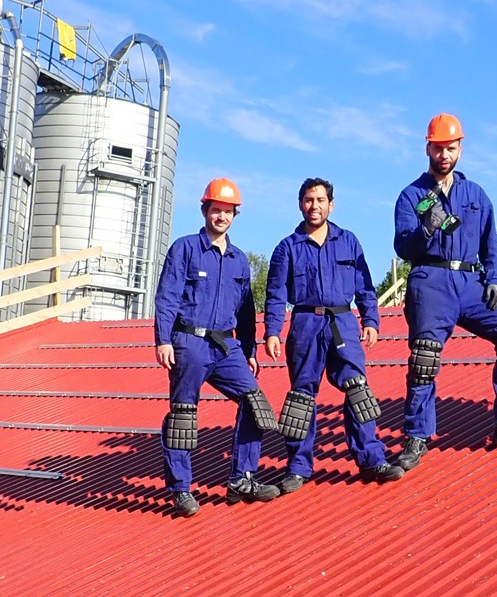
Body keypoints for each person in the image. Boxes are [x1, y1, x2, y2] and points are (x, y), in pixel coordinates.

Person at [392, 113, 497, 471]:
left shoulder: (476, 194)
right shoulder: (411, 195)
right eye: (438, 148)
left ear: (460, 148)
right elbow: (403, 246)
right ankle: (417, 437)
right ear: (427, 148)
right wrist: (426, 229)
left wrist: (495, 281)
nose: (444, 154)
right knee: (425, 358)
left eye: (450, 148)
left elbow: (490, 245)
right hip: (430, 281)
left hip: (470, 281)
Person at [265, 177, 403, 490]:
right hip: (305, 324)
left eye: (320, 200)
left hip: (342, 322)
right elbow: (275, 294)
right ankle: (298, 467)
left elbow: (365, 284)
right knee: (301, 399)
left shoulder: (348, 241)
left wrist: (371, 319)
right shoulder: (287, 247)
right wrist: (272, 331)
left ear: (331, 204)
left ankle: (371, 459)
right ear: (300, 204)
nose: (315, 206)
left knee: (358, 390)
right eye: (309, 200)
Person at [154, 178, 280, 517]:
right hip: (189, 341)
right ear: (205, 210)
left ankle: (242, 478)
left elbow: (246, 311)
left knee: (256, 405)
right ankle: (181, 490)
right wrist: (163, 339)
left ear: (235, 215)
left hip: (227, 345)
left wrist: (251, 350)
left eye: (227, 211)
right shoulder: (185, 248)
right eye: (216, 210)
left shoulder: (240, 260)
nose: (221, 216)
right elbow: (166, 296)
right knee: (184, 415)